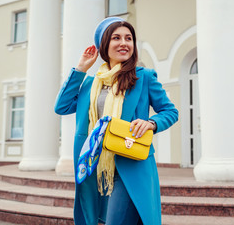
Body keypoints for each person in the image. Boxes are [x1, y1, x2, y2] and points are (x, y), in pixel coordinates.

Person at [54, 17, 178, 225]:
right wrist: (81, 69)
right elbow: (62, 106)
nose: (124, 43)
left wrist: (152, 123)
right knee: (94, 218)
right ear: (104, 44)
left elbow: (170, 111)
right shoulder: (91, 83)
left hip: (129, 162)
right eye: (116, 38)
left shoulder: (143, 77)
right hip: (94, 165)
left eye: (129, 38)